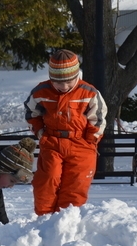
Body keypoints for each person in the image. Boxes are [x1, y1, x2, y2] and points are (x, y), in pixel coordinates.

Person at [24, 49, 108, 215]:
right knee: (47, 179)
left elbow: (97, 119)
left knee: (76, 184)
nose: (64, 87)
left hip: (81, 144)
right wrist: (40, 132)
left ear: (77, 75)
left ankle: (67, 220)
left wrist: (91, 140)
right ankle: (45, 219)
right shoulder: (41, 92)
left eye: (69, 82)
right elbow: (31, 113)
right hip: (52, 142)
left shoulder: (89, 93)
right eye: (58, 83)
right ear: (51, 78)